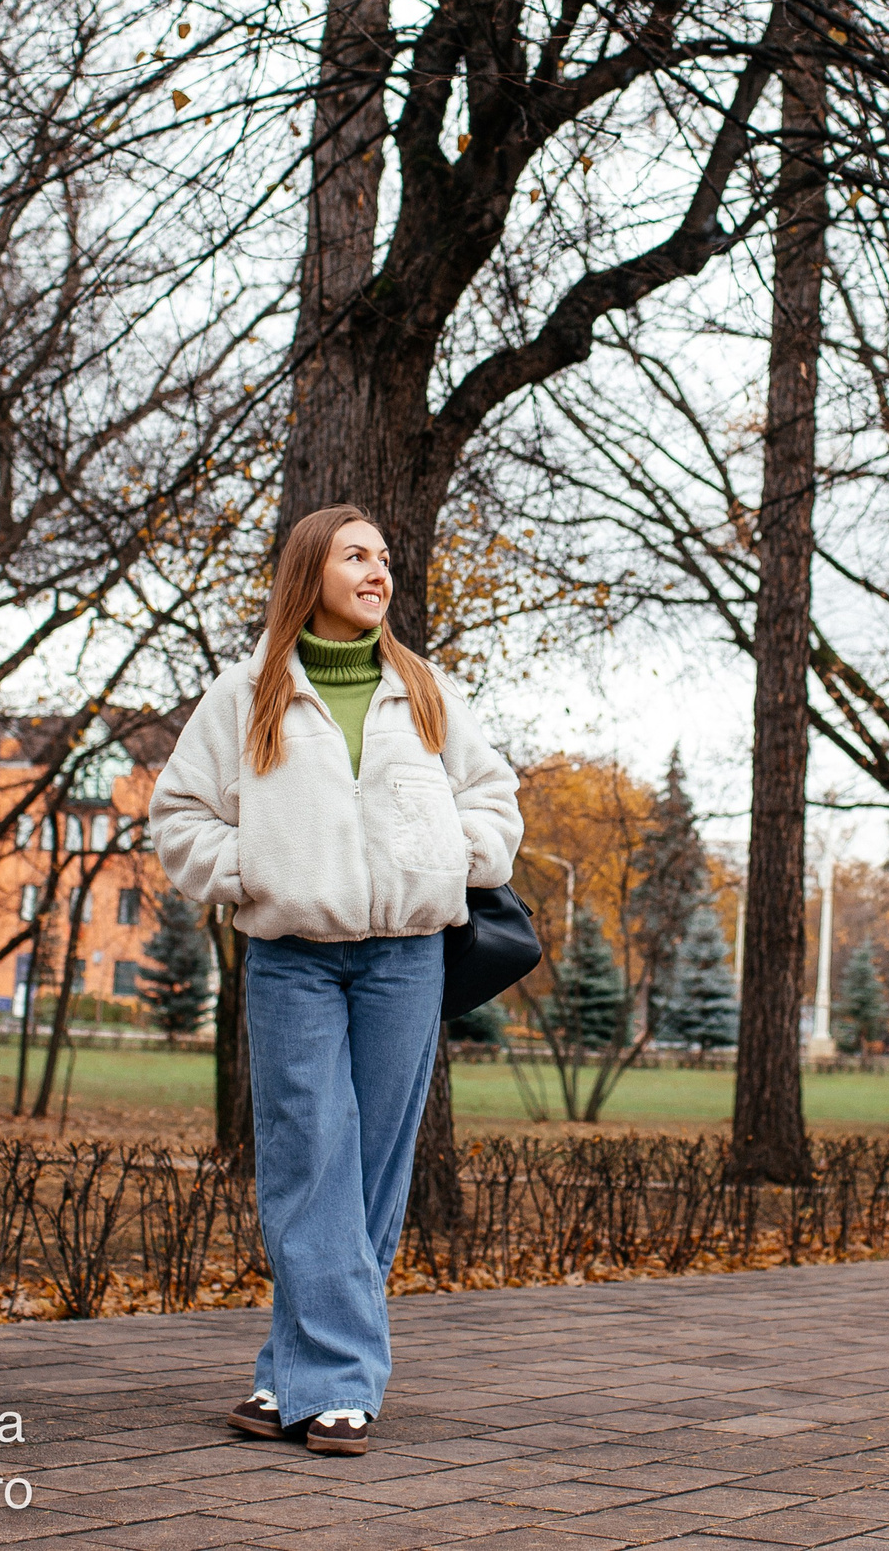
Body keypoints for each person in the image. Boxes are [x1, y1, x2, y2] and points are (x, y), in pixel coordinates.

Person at [149, 504, 521, 1456]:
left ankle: (294, 1375)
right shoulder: (248, 693)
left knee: (371, 1173)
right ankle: (342, 1383)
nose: (377, 571)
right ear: (310, 571)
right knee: (308, 1155)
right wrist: (254, 870)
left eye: (384, 557)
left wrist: (457, 855)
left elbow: (493, 798)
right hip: (293, 958)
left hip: (407, 956)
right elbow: (179, 815)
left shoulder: (423, 688)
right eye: (356, 556)